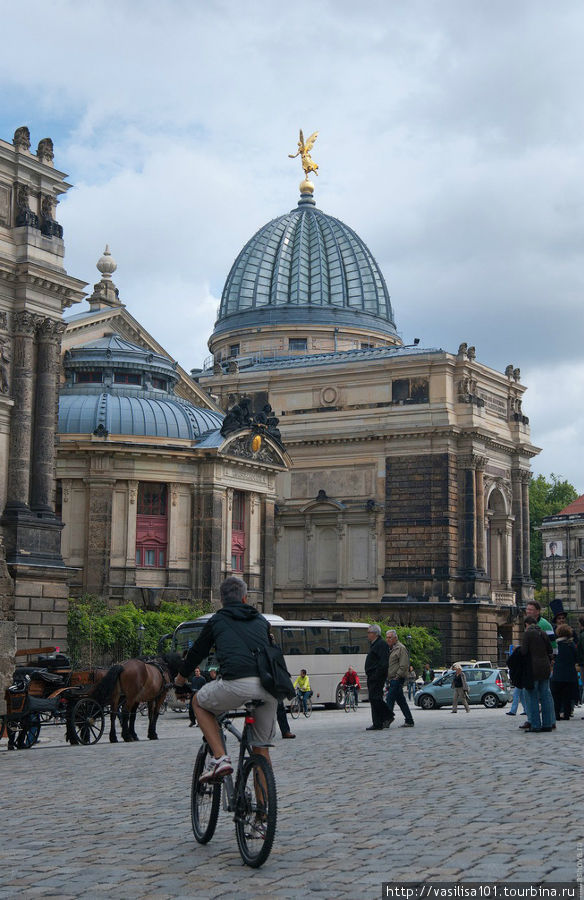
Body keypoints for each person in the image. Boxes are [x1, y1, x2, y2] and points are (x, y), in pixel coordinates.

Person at [174, 576, 277, 782]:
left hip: (236, 683)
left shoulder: (217, 620)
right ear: (245, 599)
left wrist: (179, 679)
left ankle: (220, 758)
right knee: (261, 751)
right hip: (269, 687)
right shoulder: (262, 621)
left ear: (222, 600)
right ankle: (264, 812)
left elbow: (196, 653)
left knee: (198, 703)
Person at [520, 615, 554, 733]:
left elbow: (524, 651)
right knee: (545, 697)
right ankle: (548, 724)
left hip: (533, 669)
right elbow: (550, 650)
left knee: (532, 696)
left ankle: (535, 725)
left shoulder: (528, 633)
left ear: (527, 624)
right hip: (545, 668)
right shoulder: (543, 633)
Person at [384, 629, 415, 728]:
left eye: (390, 637)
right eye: (387, 637)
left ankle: (387, 718)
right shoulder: (390, 648)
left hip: (397, 678)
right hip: (392, 678)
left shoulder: (401, 648)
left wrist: (397, 676)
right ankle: (409, 720)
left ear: (395, 638)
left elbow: (404, 665)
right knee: (401, 700)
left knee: (390, 698)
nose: (388, 639)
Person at [365, 624, 391, 730]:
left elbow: (383, 663)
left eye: (369, 633)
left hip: (377, 676)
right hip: (373, 675)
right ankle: (377, 722)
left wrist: (376, 675)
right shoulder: (375, 644)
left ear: (375, 633)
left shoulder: (381, 644)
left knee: (375, 698)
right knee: (374, 698)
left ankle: (388, 716)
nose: (367, 635)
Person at [550, 624, 578, 721]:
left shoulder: (556, 644)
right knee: (567, 696)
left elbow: (552, 656)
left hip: (558, 673)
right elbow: (576, 658)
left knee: (556, 696)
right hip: (570, 674)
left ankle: (556, 714)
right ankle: (566, 714)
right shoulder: (572, 645)